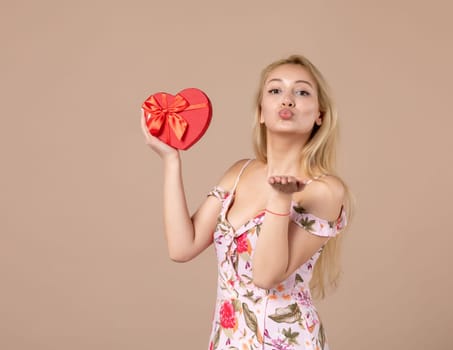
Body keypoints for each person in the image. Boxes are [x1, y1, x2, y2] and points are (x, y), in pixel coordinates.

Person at [141, 54, 352, 349]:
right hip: (229, 340)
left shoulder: (325, 190)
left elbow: (265, 276)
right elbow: (182, 247)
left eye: (302, 92)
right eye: (275, 90)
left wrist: (280, 199)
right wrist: (171, 160)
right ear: (261, 112)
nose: (287, 100)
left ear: (320, 115)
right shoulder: (239, 173)